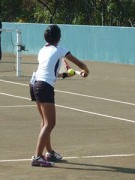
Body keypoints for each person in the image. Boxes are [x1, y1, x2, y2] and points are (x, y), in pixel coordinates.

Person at [29, 24, 90, 167]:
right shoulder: (60, 50)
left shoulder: (42, 50)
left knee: (45, 122)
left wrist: (69, 74)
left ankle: (49, 152)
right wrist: (86, 70)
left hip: (34, 84)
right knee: (50, 123)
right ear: (59, 38)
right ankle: (37, 157)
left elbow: (50, 71)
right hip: (44, 87)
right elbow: (79, 63)